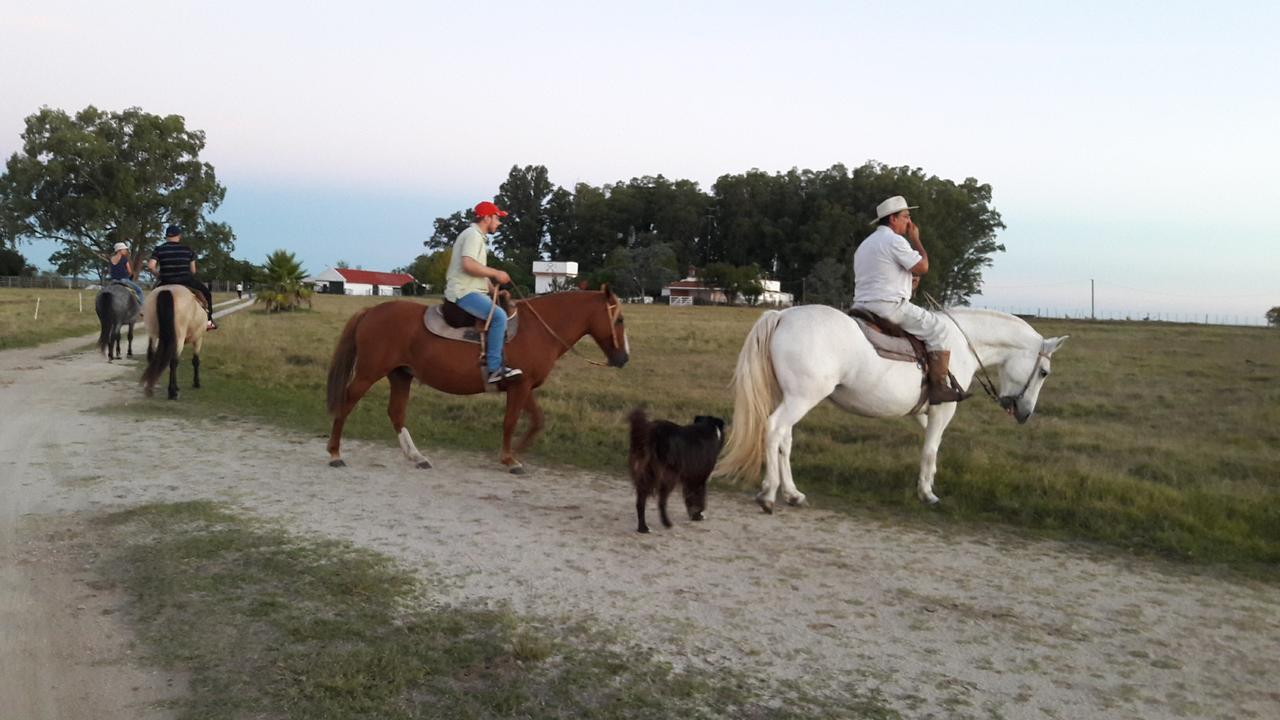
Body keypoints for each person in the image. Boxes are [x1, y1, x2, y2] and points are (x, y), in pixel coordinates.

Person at [852, 196, 968, 404]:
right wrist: (916, 240)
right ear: (892, 219)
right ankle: (939, 388)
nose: (909, 222)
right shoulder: (895, 241)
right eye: (905, 217)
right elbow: (923, 267)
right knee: (939, 329)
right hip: (889, 307)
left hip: (860, 305)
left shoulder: (865, 245)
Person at [444, 201, 522, 383]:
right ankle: (494, 369)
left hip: (471, 289)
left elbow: (478, 271)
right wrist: (497, 273)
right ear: (486, 218)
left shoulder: (477, 236)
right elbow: (469, 265)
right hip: (464, 292)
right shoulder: (473, 235)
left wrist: (493, 289)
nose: (499, 223)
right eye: (496, 218)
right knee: (499, 317)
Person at [147, 225, 218, 330]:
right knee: (206, 294)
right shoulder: (188, 250)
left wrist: (158, 275)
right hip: (186, 280)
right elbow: (193, 270)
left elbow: (151, 266)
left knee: (151, 298)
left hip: (166, 281)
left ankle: (146, 316)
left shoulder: (159, 249)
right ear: (179, 236)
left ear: (166, 236)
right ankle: (209, 321)